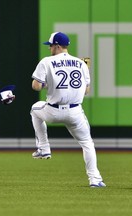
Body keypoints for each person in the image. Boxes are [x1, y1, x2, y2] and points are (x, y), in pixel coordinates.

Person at [30, 32, 106, 187]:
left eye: (50, 45)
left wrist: (48, 85)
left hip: (52, 111)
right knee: (87, 143)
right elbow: (86, 90)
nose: (49, 48)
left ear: (57, 46)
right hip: (75, 112)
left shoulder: (47, 61)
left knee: (34, 109)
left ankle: (44, 148)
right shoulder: (82, 63)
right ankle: (95, 180)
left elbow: (36, 86)